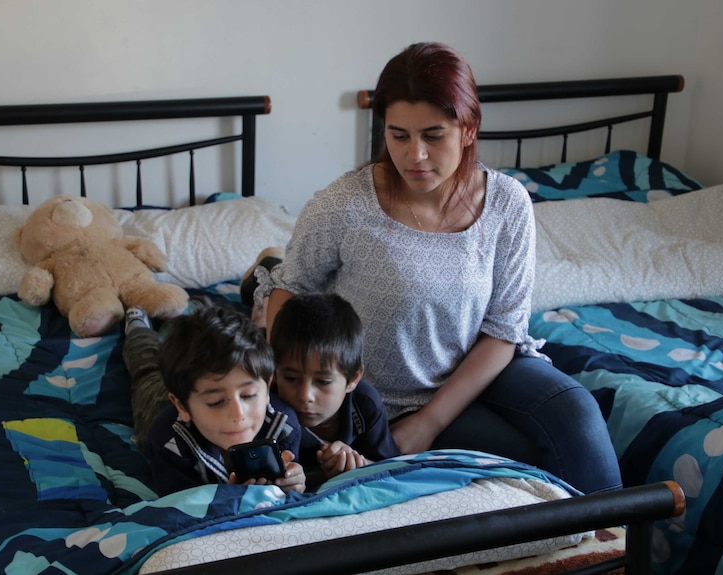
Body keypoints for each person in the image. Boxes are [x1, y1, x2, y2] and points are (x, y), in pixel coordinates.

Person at [256, 42, 622, 494]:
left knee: (577, 413)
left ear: (468, 129)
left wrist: (429, 423)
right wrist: (302, 396)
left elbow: (504, 329)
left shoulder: (508, 203)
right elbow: (289, 291)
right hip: (373, 396)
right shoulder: (344, 205)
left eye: (433, 135)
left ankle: (613, 549)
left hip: (479, 370)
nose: (415, 155)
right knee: (522, 465)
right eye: (398, 135)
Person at [121, 297, 306, 496]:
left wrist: (295, 482)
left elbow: (293, 484)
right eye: (216, 402)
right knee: (146, 368)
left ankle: (192, 311)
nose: (238, 414)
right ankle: (138, 329)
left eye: (248, 395)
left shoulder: (285, 426)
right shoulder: (166, 443)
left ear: (268, 387)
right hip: (161, 403)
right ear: (181, 406)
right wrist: (229, 497)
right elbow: (183, 506)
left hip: (194, 386)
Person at [268, 292, 399, 487]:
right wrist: (291, 482)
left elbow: (391, 467)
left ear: (352, 379)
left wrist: (360, 466)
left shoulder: (364, 404)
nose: (306, 395)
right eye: (291, 378)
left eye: (323, 381)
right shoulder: (267, 410)